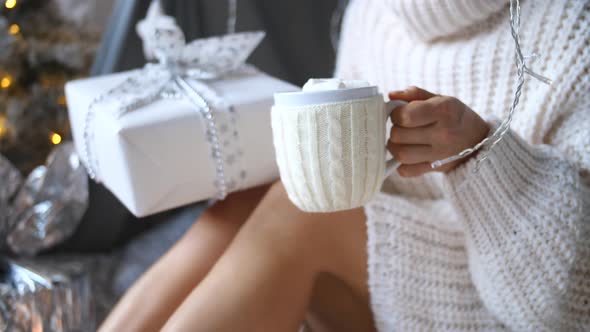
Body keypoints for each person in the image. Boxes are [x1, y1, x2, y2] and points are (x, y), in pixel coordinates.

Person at [99, 0, 590, 331]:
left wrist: (482, 152)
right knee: (252, 198)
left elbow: (569, 306)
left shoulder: (571, 27)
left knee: (299, 219)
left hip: (501, 288)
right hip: (391, 241)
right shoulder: (376, 9)